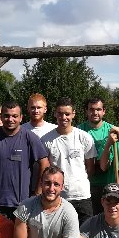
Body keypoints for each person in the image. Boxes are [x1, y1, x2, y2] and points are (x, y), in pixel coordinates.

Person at [0, 101, 49, 219]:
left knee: (20, 237)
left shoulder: (30, 137)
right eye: (6, 116)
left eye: (14, 116)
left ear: (21, 117)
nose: (10, 119)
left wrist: (38, 193)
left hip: (23, 204)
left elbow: (44, 164)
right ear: (2, 116)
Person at [41, 97, 96, 226]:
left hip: (82, 195)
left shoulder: (84, 137)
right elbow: (46, 169)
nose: (63, 117)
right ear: (55, 114)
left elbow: (90, 168)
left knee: (85, 237)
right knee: (59, 237)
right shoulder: (46, 140)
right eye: (60, 113)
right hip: (58, 197)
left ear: (73, 114)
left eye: (67, 114)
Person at [78, 97, 112, 215]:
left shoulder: (111, 131)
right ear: (86, 111)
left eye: (98, 109)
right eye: (91, 109)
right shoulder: (79, 130)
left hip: (107, 183)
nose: (95, 113)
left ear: (104, 111)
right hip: (86, 185)